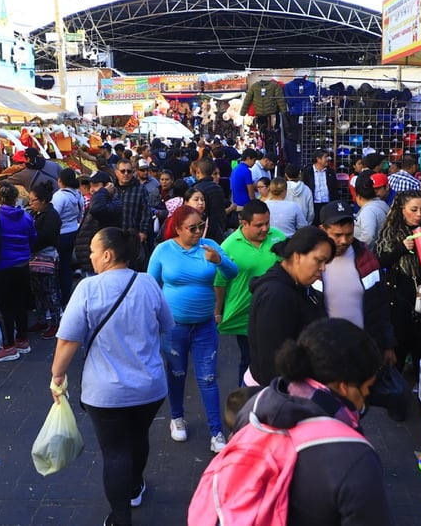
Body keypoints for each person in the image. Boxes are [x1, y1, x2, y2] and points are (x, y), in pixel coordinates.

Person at [51, 228, 173, 526]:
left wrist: (57, 376)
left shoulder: (88, 288)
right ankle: (134, 487)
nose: (90, 256)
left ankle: (121, 518)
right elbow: (166, 324)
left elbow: (68, 340)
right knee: (138, 437)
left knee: (115, 451)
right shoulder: (147, 283)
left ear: (107, 255)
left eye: (93, 251)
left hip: (106, 393)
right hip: (150, 387)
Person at [236, 318, 394, 525]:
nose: (366, 395)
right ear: (344, 386)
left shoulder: (255, 407)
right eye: (366, 386)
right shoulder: (355, 458)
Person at [148, 205, 238, 453]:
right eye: (192, 228)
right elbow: (151, 285)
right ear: (177, 229)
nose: (198, 231)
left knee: (208, 378)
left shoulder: (208, 246)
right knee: (176, 374)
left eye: (201, 225)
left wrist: (219, 260)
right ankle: (177, 417)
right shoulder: (163, 250)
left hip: (205, 326)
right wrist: (152, 320)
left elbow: (233, 272)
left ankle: (216, 431)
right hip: (173, 327)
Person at [374, 190, 421, 373]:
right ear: (402, 209)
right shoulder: (391, 231)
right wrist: (401, 248)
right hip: (400, 298)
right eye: (414, 209)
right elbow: (380, 260)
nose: (419, 214)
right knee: (399, 346)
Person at [247, 226, 334, 386]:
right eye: (319, 260)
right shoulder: (276, 295)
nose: (323, 268)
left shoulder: (300, 286)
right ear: (297, 256)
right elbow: (273, 361)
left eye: (325, 262)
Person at [319, 202, 397, 367]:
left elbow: (381, 306)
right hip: (323, 352)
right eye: (337, 235)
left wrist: (387, 345)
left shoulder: (366, 259)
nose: (344, 241)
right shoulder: (311, 261)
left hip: (363, 351)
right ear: (322, 230)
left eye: (349, 234)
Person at [215, 199, 284, 385]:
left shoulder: (279, 238)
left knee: (277, 361)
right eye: (259, 225)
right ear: (243, 223)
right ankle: (244, 403)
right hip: (245, 315)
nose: (265, 229)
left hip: (276, 313)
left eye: (267, 223)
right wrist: (217, 311)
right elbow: (220, 283)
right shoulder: (228, 246)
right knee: (250, 360)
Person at [0, 181, 36, 363]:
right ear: (15, 198)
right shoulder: (26, 217)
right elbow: (33, 237)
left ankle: (8, 346)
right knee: (20, 304)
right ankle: (23, 341)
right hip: (22, 267)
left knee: (4, 309)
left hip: (1, 268)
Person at [27, 181, 62, 338]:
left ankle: (55, 323)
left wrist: (30, 235)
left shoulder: (51, 216)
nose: (30, 203)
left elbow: (46, 236)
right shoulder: (37, 214)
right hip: (35, 258)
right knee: (37, 291)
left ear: (42, 201)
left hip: (47, 257)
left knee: (50, 291)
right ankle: (42, 319)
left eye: (33, 200)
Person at [53, 168, 85, 306]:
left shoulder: (59, 196)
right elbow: (80, 216)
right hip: (73, 232)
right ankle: (66, 297)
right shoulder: (78, 195)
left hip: (61, 235)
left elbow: (54, 218)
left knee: (58, 268)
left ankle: (60, 299)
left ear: (60, 180)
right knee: (65, 267)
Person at [113, 158, 155, 249]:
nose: (126, 174)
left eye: (129, 171)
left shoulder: (140, 189)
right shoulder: (111, 189)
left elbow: (146, 212)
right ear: (117, 172)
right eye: (123, 171)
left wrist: (143, 232)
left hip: (133, 235)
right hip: (114, 235)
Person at [192, 159, 228, 242]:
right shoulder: (218, 188)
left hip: (204, 231)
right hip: (219, 229)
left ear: (198, 172)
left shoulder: (197, 189)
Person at [352, 171, 391, 246]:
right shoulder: (381, 204)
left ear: (358, 196)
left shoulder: (368, 211)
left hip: (370, 254)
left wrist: (360, 251)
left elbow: (369, 236)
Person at [302, 149, 341, 221]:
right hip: (313, 205)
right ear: (318, 159)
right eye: (325, 157)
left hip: (328, 205)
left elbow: (334, 189)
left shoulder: (331, 172)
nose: (328, 159)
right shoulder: (307, 172)